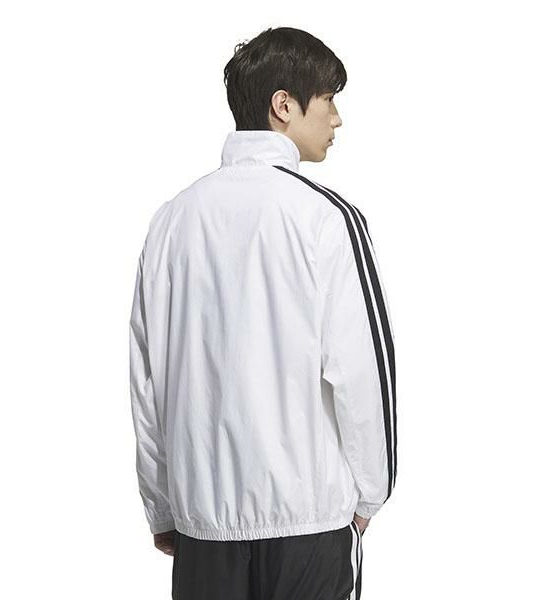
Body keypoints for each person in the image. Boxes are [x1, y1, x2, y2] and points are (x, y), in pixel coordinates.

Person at [129, 26, 397, 600]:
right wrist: (372, 492)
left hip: (202, 526)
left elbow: (147, 383)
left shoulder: (171, 221)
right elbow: (363, 371)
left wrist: (163, 507)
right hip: (308, 525)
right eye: (328, 99)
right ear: (284, 105)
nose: (337, 119)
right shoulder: (326, 218)